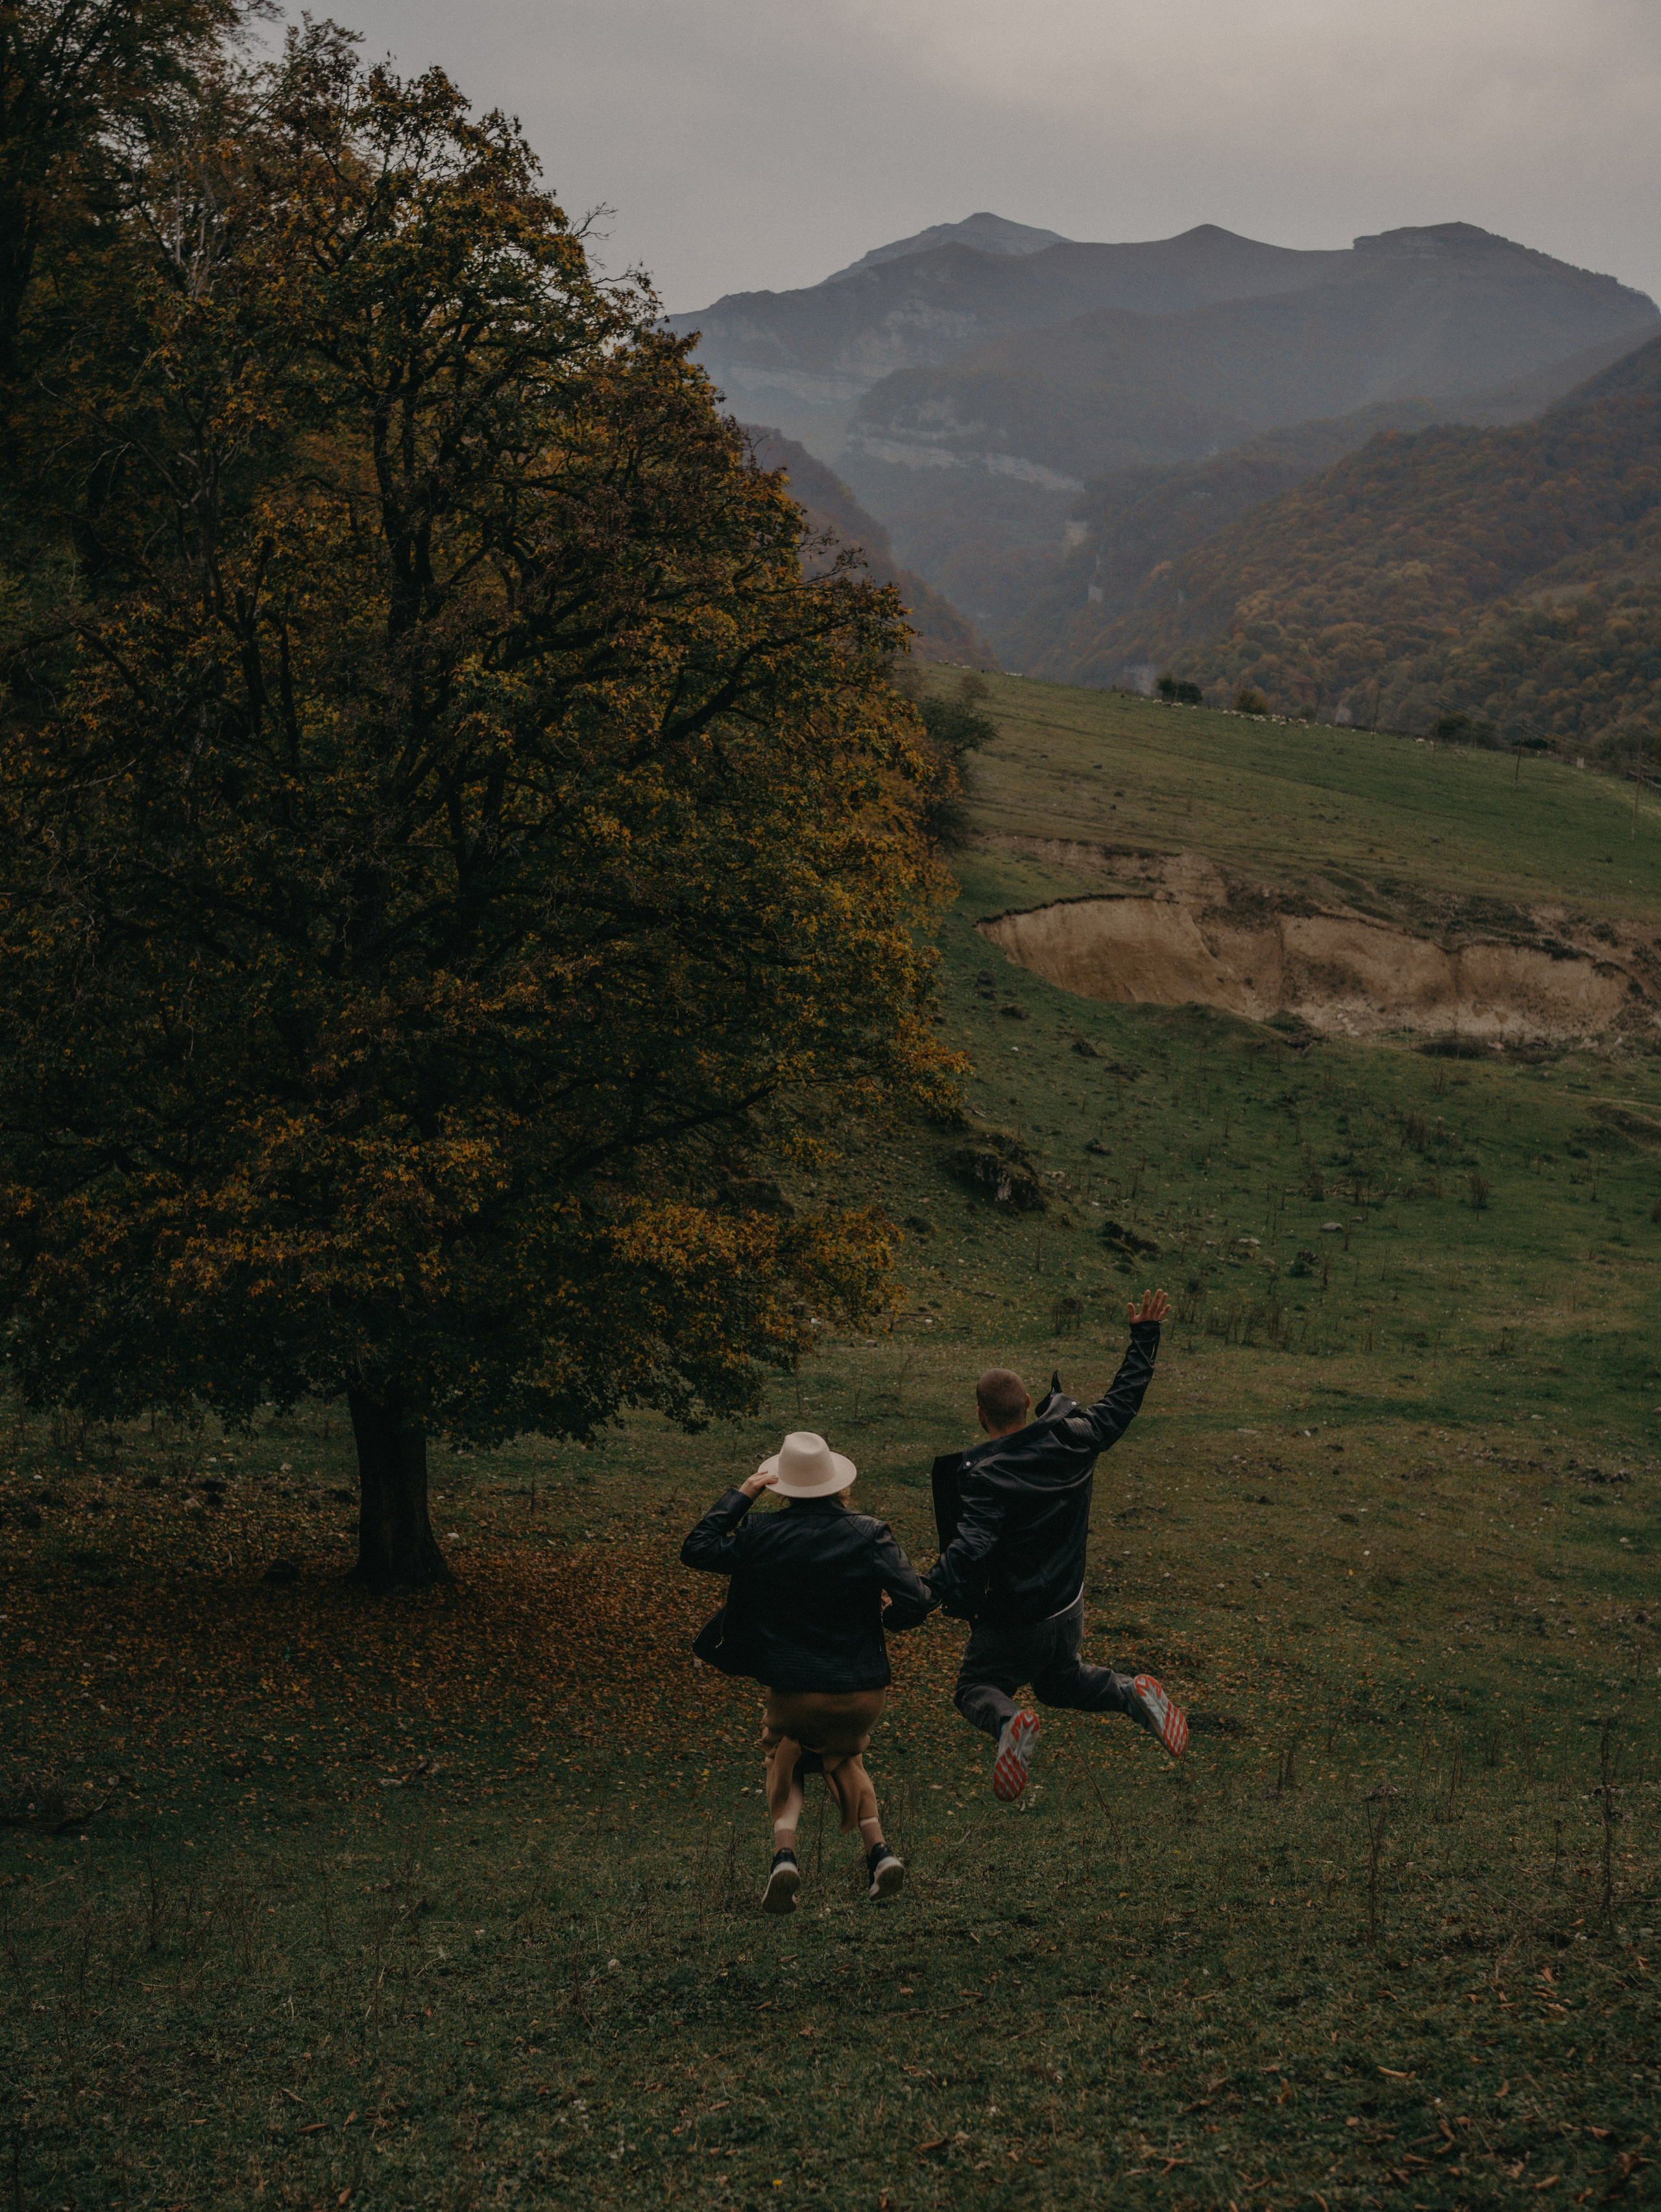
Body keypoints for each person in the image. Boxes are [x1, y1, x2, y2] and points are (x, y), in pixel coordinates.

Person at [927, 1288, 1187, 1802]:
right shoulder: (1076, 1435)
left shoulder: (984, 1475)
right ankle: (1130, 1694)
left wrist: (925, 1589)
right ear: (1029, 1403)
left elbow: (971, 1546)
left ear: (980, 1415)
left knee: (975, 1689)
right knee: (1057, 1681)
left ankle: (1007, 1724)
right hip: (1067, 1608)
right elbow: (1123, 1400)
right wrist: (1145, 1336)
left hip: (1014, 1618)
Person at [681, 1429, 936, 1914]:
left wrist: (742, 1494)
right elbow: (917, 1601)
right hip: (864, 1690)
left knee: (786, 1753)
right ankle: (880, 1855)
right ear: (838, 1483)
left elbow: (697, 1548)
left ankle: (784, 1858)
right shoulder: (870, 1532)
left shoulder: (759, 1534)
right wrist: (885, 1614)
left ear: (783, 1486)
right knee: (844, 1754)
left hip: (795, 1687)